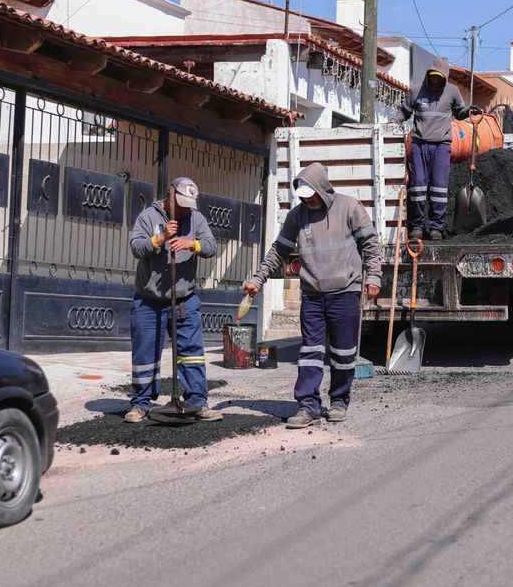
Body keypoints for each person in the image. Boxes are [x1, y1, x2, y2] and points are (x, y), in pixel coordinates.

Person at [243, 163, 382, 429]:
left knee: (343, 353)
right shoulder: (297, 216)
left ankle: (339, 401)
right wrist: (257, 279)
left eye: (311, 193)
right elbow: (278, 252)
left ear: (322, 188)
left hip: (345, 293)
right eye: (303, 195)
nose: (308, 199)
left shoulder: (350, 208)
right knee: (310, 352)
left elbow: (371, 246)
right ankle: (308, 406)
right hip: (313, 296)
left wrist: (373, 277)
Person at [124, 177, 222, 423]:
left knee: (191, 354)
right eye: (182, 204)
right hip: (149, 301)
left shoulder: (196, 218)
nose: (187, 209)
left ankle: (197, 402)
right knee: (145, 355)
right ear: (170, 198)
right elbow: (136, 247)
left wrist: (192, 244)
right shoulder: (149, 217)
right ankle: (141, 404)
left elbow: (211, 246)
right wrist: (161, 239)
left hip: (184, 300)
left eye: (190, 205)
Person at [391, 57, 477, 240]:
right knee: (418, 187)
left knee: (439, 187)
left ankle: (436, 227)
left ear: (445, 78)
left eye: (439, 78)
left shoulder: (452, 92)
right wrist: (392, 123)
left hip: (441, 147)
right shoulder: (416, 90)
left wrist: (470, 112)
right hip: (419, 145)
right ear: (428, 75)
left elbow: (459, 112)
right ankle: (417, 226)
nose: (436, 81)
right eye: (433, 77)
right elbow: (404, 112)